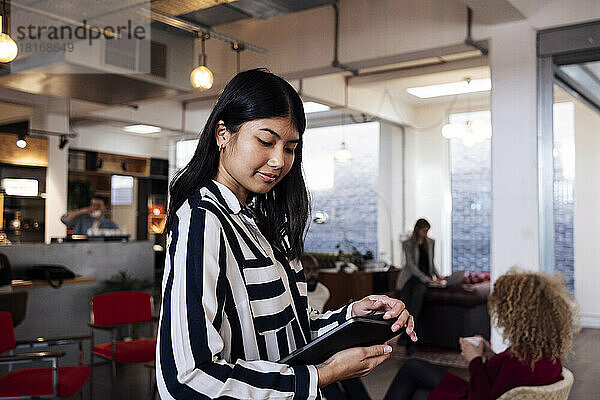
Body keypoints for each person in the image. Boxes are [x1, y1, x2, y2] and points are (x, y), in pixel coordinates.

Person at [156, 69, 418, 399]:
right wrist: (324, 374)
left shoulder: (260, 221)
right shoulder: (202, 220)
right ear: (223, 133)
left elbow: (292, 329)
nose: (279, 161)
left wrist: (353, 317)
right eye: (265, 141)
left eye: (290, 148)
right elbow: (186, 378)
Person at [383, 269, 576, 400]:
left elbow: (481, 395)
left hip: (474, 394)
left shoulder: (517, 361)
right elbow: (503, 373)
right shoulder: (544, 355)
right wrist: (489, 353)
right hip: (480, 389)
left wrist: (475, 359)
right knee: (414, 373)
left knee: (413, 375)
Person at [301, 254, 372, 400]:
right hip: (306, 351)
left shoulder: (323, 290)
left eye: (315, 270)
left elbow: (319, 316)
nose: (312, 274)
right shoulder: (297, 294)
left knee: (349, 370)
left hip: (321, 343)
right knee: (330, 382)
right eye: (307, 270)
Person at [395, 218, 442, 355]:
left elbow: (431, 262)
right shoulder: (408, 244)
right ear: (418, 229)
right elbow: (411, 266)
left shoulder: (431, 243)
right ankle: (406, 335)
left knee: (415, 306)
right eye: (424, 230)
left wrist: (437, 277)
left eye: (427, 230)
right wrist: (427, 279)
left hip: (424, 280)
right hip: (410, 278)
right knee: (406, 306)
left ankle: (408, 339)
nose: (426, 233)